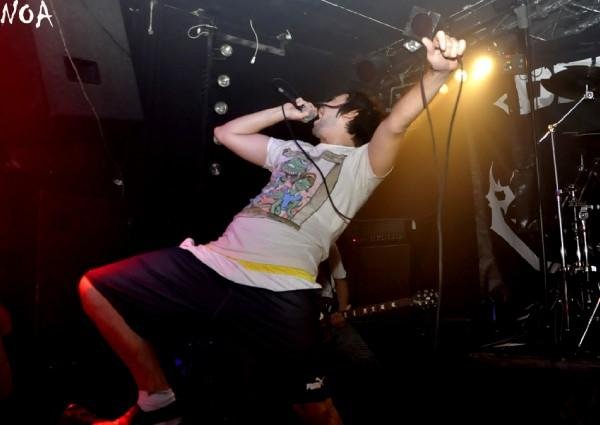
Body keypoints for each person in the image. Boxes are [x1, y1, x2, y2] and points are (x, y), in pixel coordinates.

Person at [72, 31, 466, 425]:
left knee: (316, 411)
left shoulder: (363, 165)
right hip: (215, 264)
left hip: (283, 289)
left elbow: (396, 125)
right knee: (96, 288)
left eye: (331, 102)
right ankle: (158, 401)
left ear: (350, 115)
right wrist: (284, 112)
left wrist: (437, 74)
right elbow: (225, 134)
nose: (321, 105)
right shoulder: (291, 151)